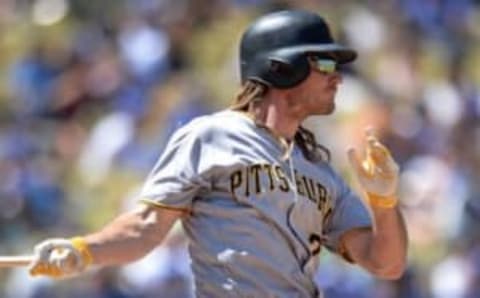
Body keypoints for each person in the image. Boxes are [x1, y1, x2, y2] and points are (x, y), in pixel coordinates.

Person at [29, 9, 407, 298]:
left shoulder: (321, 170)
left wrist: (385, 201)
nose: (336, 76)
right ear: (281, 69)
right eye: (323, 63)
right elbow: (145, 228)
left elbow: (386, 263)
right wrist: (83, 250)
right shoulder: (211, 136)